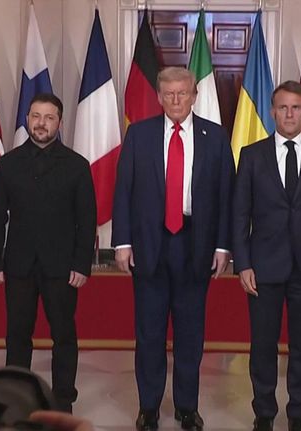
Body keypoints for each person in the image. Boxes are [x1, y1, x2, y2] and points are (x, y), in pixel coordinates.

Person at [112, 66, 234, 431]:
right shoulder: (139, 134)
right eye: (169, 94)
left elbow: (225, 195)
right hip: (149, 245)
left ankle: (187, 407)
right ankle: (148, 407)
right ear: (159, 97)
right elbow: (123, 190)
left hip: (196, 244)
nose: (176, 100)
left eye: (182, 93)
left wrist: (223, 246)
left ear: (194, 96)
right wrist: (122, 242)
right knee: (149, 334)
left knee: (190, 335)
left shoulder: (215, 136)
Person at [232, 80, 301, 431]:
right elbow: (240, 213)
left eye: (296, 107)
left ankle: (298, 415)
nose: (289, 114)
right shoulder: (251, 155)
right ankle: (264, 413)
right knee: (262, 346)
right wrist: (243, 263)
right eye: (283, 107)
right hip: (263, 268)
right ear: (272, 111)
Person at [0, 93, 96, 413]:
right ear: (27, 120)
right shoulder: (7, 164)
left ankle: (63, 401)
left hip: (62, 266)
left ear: (59, 122)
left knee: (64, 336)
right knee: (17, 336)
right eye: (36, 116)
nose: (41, 123)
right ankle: (16, 399)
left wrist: (82, 264)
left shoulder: (77, 165)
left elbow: (86, 219)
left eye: (49, 117)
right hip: (18, 264)